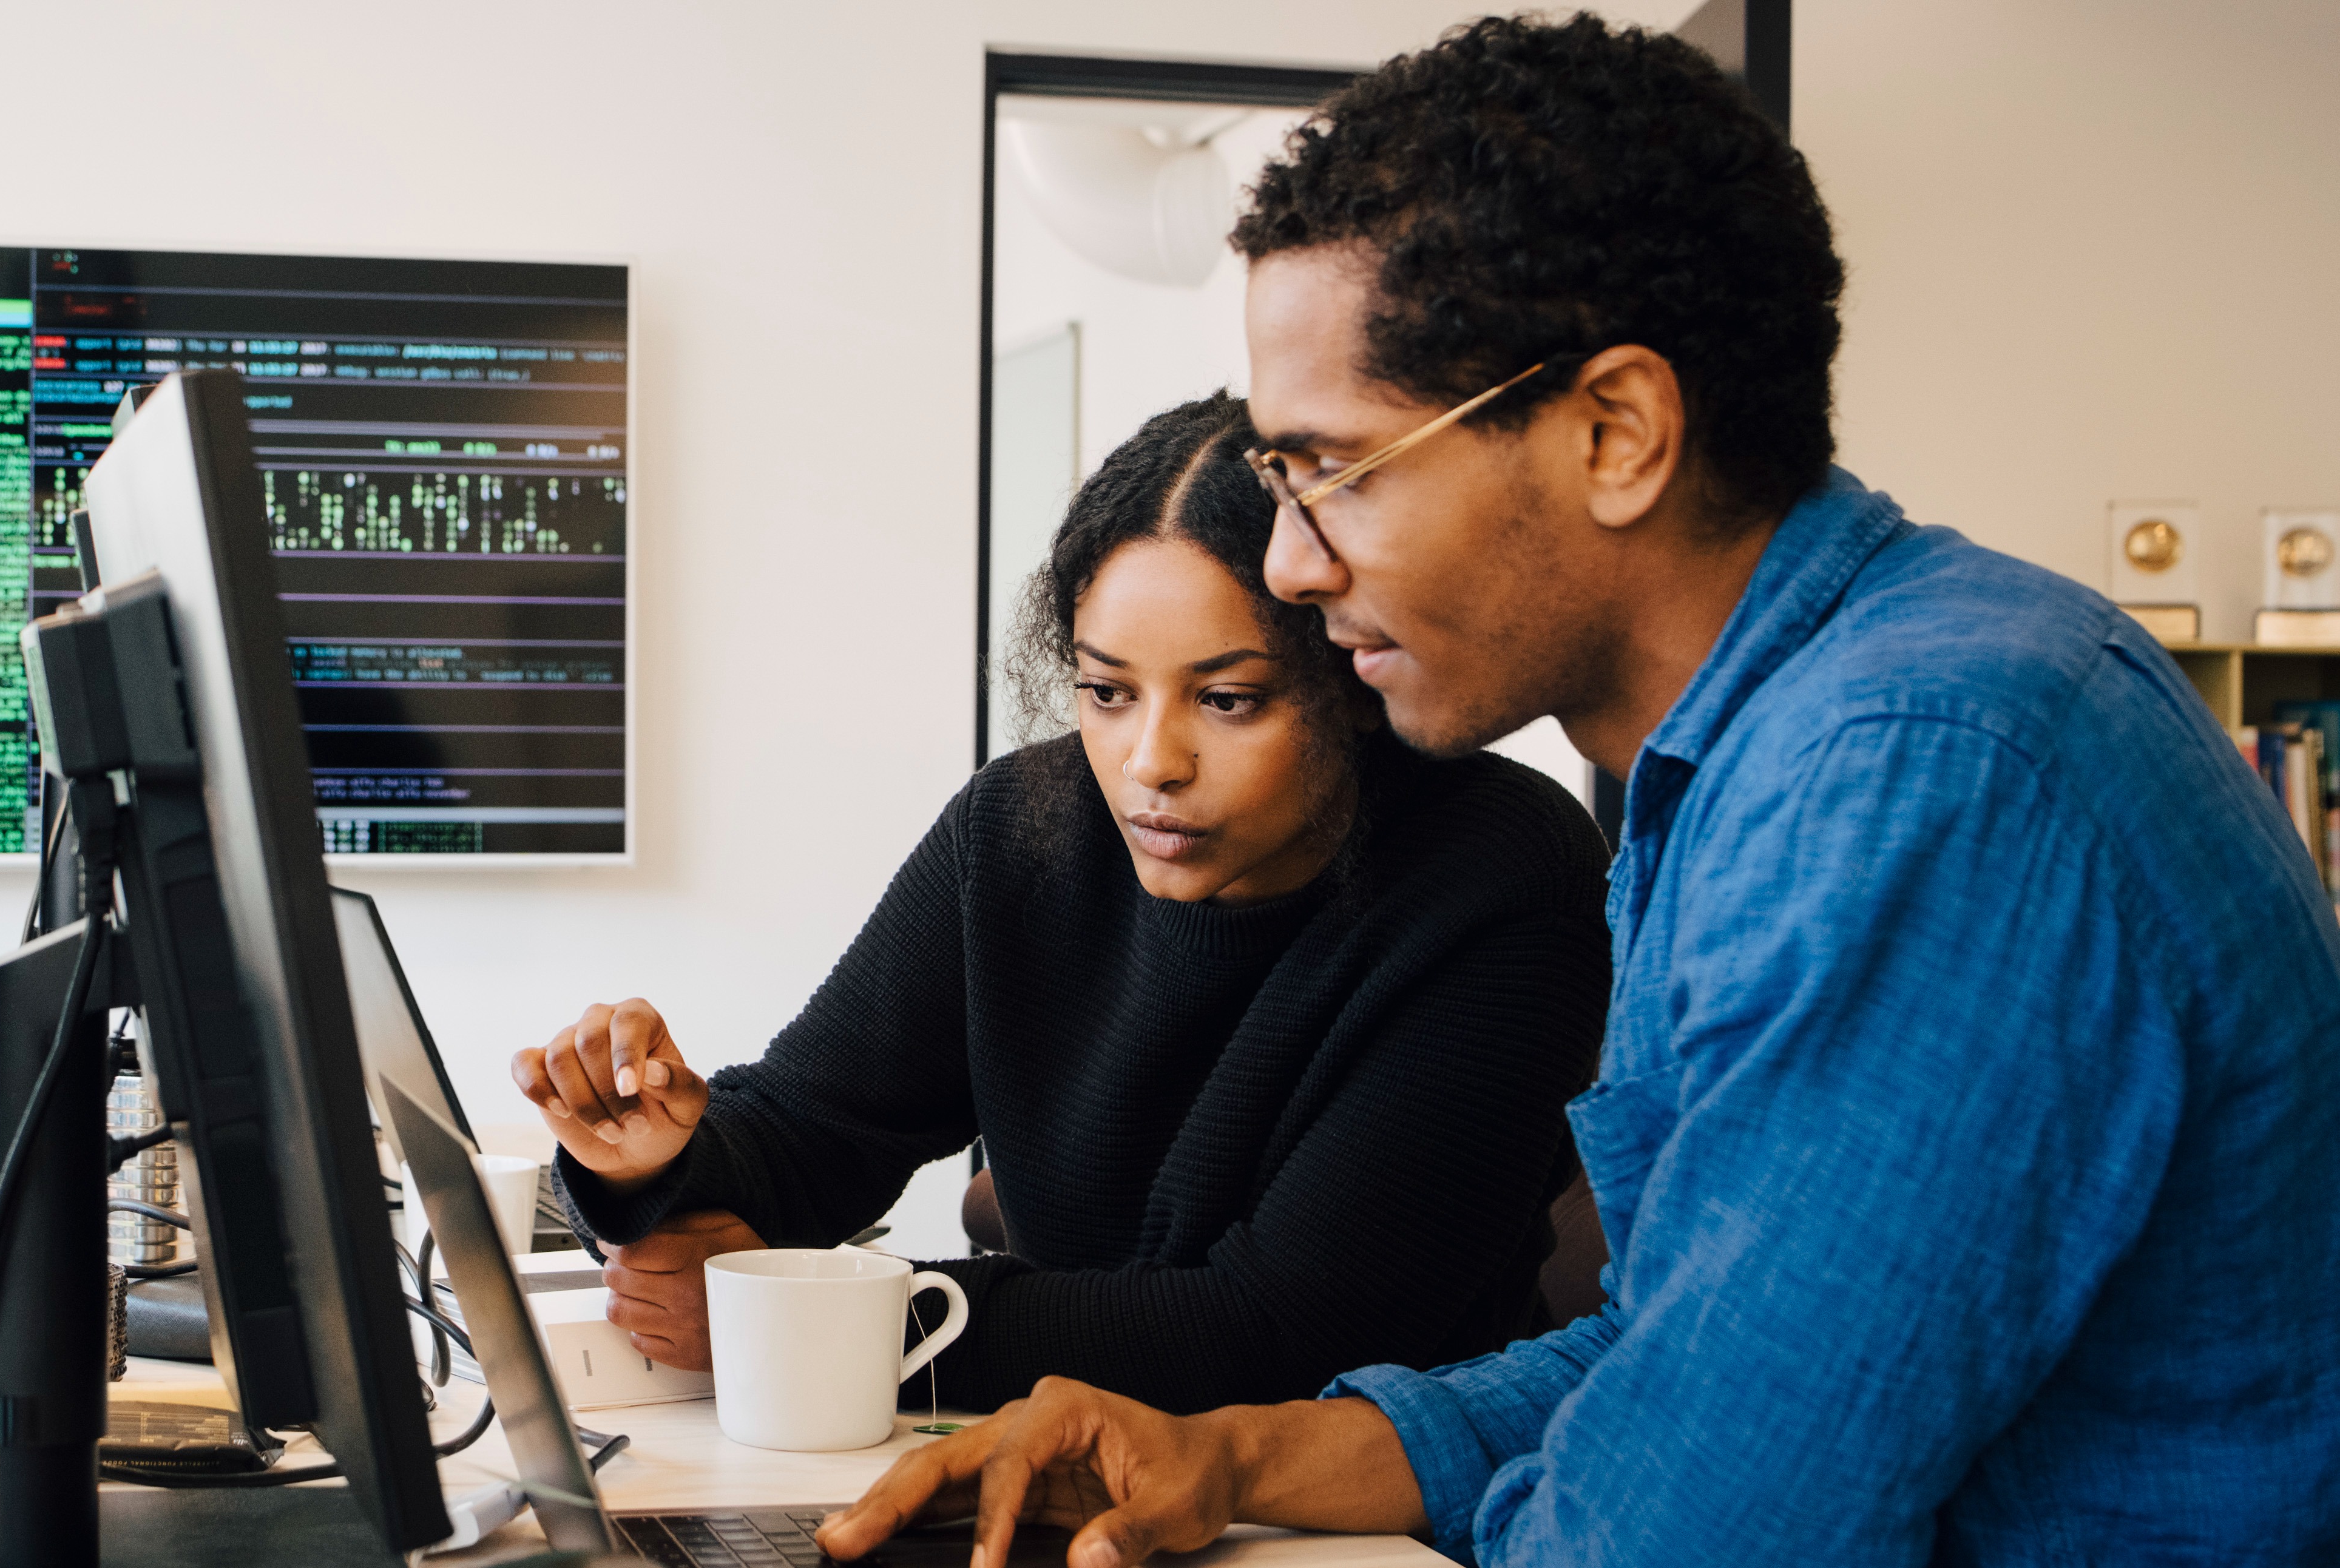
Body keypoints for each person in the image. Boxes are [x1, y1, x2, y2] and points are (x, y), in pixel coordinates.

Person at [816, 16, 2340, 1568]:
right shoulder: (1734, 761)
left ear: (1616, 434)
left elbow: (1699, 1530)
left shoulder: (1921, 776)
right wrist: (1231, 1451)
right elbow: (1664, 1354)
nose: (1287, 564)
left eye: (1330, 472)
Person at [509, 391, 1616, 1417]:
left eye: (1227, 700)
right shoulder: (1023, 828)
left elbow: (1285, 1331)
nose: (1150, 764)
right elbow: (817, 1125)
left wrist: (823, 1325)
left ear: (1351, 682)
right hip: (1062, 1463)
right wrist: (650, 1160)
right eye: (1106, 691)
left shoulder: (1501, 875)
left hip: (1348, 1528)